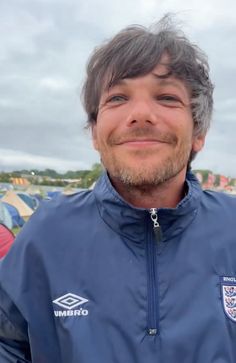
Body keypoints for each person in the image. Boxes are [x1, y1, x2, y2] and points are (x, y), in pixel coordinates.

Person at [0, 15, 236, 363]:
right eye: (117, 98)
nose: (141, 114)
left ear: (198, 131)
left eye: (167, 97)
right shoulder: (47, 233)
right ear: (95, 133)